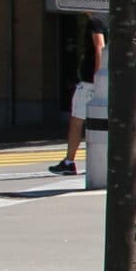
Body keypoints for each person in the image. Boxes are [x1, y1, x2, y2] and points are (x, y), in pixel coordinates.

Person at [51, 15, 105, 174]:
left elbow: (100, 46)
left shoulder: (94, 21)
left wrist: (98, 77)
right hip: (99, 82)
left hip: (89, 84)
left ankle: (69, 162)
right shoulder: (107, 20)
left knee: (76, 122)